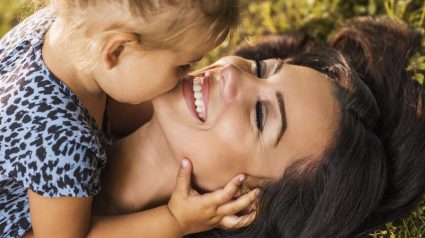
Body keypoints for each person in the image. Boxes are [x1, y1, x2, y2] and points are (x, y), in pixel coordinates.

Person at [0, 0, 259, 237]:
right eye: (180, 66)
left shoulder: (58, 28)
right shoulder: (64, 143)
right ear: (117, 50)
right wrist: (175, 220)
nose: (186, 76)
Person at [96, 16, 425, 238]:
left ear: (245, 202)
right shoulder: (94, 76)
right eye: (261, 69)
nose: (233, 74)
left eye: (259, 116)